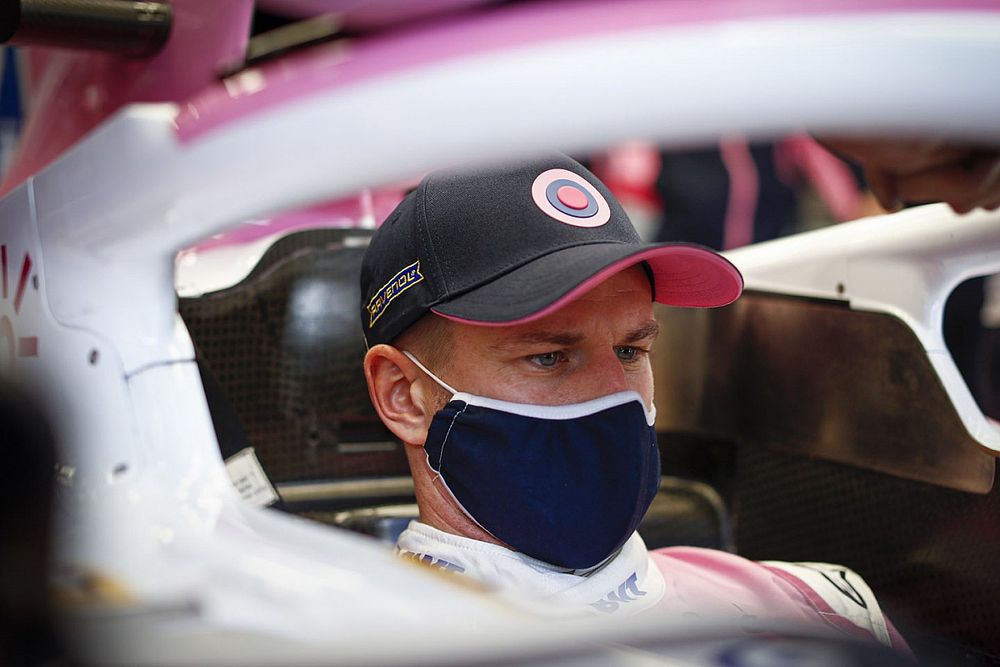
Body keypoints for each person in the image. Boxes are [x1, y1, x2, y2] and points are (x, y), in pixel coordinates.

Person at [359, 153, 909, 650]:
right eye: (550, 356)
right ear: (403, 395)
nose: (617, 394)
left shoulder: (818, 604)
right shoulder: (341, 644)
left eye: (629, 349)